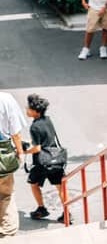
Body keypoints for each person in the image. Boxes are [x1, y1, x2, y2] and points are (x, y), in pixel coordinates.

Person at [23, 94, 70, 223]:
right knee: (60, 187)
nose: (26, 110)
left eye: (28, 109)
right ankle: (67, 213)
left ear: (36, 112)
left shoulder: (34, 127)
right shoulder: (47, 119)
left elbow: (37, 148)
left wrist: (25, 151)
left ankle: (41, 208)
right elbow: (48, 138)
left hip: (42, 162)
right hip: (55, 158)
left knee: (33, 184)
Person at [0, 91, 26, 238]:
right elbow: (15, 133)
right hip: (3, 157)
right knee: (5, 195)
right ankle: (7, 233)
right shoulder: (5, 99)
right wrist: (20, 153)